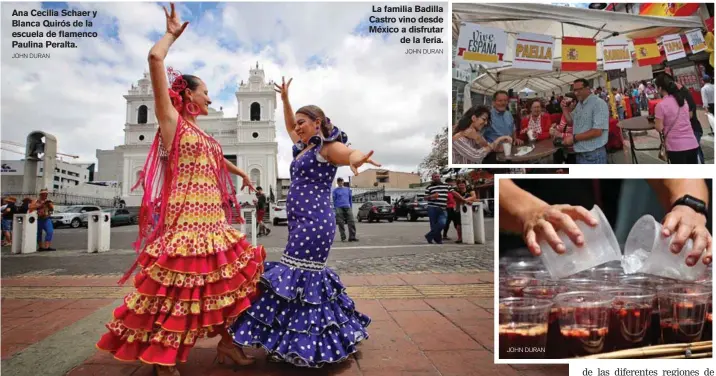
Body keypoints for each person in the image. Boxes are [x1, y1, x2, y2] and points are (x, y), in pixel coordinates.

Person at [96, 5, 265, 375]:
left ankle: (227, 345)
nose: (208, 97)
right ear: (187, 94)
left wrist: (245, 176)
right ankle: (165, 357)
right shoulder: (172, 123)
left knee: (227, 288)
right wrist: (171, 35)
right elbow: (155, 58)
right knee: (181, 295)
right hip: (187, 225)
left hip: (214, 223)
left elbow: (218, 161)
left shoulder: (203, 133)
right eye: (204, 91)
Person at [230, 76, 377, 367]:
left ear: (318, 122)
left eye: (303, 122)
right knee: (300, 278)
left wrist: (357, 159)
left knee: (301, 276)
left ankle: (308, 341)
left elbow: (348, 154)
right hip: (300, 222)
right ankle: (301, 338)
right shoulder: (303, 147)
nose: (297, 127)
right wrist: (285, 99)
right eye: (297, 123)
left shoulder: (326, 147)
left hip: (315, 223)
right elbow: (287, 125)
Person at [498, 178, 712, 267]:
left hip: (590, 250)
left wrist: (689, 205)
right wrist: (529, 211)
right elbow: (494, 184)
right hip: (523, 252)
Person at [654, 74, 699, 164]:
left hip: (675, 147)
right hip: (692, 143)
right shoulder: (683, 101)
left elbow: (659, 128)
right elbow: (688, 116)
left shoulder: (661, 105)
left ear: (659, 88)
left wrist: (657, 121)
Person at [561, 79, 609, 164]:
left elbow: (597, 132)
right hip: (581, 153)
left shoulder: (598, 103)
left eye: (580, 89)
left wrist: (574, 138)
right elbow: (571, 122)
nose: (576, 93)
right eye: (575, 90)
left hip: (594, 154)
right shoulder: (580, 104)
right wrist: (564, 109)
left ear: (588, 89)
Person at [482, 91, 523, 163]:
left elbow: (513, 128)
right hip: (494, 155)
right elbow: (479, 137)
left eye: (505, 100)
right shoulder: (487, 116)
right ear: (493, 102)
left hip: (509, 151)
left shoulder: (509, 114)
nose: (503, 103)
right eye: (500, 100)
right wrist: (492, 146)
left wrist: (515, 139)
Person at [550, 93, 577, 164]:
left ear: (574, 102)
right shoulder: (565, 113)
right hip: (563, 148)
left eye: (568, 102)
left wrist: (560, 134)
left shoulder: (577, 114)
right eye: (565, 101)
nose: (566, 104)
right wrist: (556, 127)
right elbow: (563, 127)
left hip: (574, 151)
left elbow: (576, 135)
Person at [424, 173, 450, 244]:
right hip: (432, 208)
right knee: (434, 224)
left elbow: (453, 192)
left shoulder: (446, 186)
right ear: (432, 178)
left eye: (438, 176)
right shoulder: (429, 187)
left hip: (443, 208)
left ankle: (429, 235)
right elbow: (425, 198)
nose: (437, 178)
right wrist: (432, 196)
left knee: (442, 223)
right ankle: (438, 240)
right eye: (435, 177)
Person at [333, 177, 357, 242]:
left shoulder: (347, 189)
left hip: (347, 206)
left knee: (351, 221)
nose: (340, 182)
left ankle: (352, 237)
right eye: (339, 181)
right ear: (337, 183)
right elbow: (334, 200)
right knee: (340, 223)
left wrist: (350, 207)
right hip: (339, 207)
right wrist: (335, 208)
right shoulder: (335, 191)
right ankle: (343, 237)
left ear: (343, 181)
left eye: (341, 181)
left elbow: (350, 199)